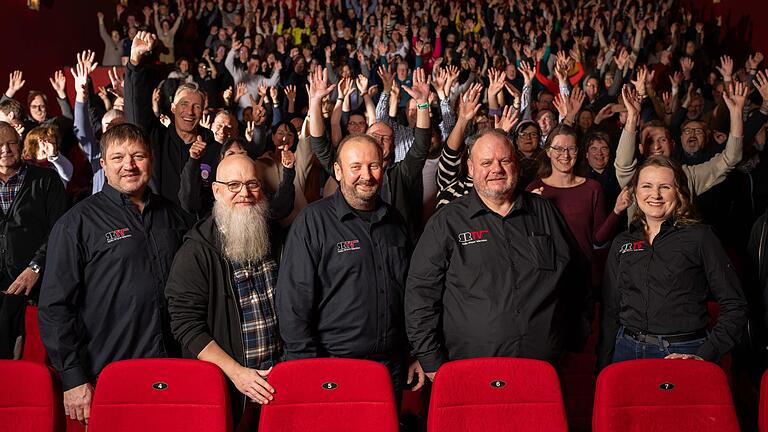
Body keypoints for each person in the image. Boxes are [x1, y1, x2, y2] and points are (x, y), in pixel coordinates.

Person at [405, 130, 590, 380]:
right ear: (470, 168)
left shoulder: (546, 213)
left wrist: (572, 339)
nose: (497, 169)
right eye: (486, 162)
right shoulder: (447, 223)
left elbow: (579, 276)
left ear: (516, 163)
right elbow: (420, 294)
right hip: (470, 370)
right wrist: (430, 359)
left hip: (543, 369)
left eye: (504, 161)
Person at [38, 123, 191, 425]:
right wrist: (73, 378)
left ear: (151, 160)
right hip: (108, 375)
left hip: (175, 368)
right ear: (103, 164)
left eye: (138, 156)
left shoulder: (174, 215)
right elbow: (55, 308)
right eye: (118, 157)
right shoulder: (76, 224)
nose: (129, 166)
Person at [277, 130, 425, 395]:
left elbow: (409, 293)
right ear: (338, 170)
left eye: (374, 166)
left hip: (390, 367)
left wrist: (412, 352)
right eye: (355, 167)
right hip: (332, 368)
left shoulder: (395, 221)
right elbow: (293, 304)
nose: (366, 176)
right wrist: (306, 370)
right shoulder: (313, 222)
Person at [598, 156, 748, 369]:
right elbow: (610, 309)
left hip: (683, 351)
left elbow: (735, 304)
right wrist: (604, 364)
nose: (655, 195)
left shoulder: (701, 237)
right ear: (635, 192)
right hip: (626, 350)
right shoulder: (623, 241)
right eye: (647, 186)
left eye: (665, 187)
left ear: (679, 192)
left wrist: (705, 355)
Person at [166, 155, 280, 428]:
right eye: (234, 185)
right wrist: (237, 373)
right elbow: (185, 326)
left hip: (279, 382)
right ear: (216, 190)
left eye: (252, 184)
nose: (245, 193)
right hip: (230, 389)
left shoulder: (275, 236)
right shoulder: (196, 250)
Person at [124, 31, 219, 207]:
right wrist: (135, 62)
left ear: (203, 110)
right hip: (161, 227)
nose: (189, 112)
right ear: (173, 108)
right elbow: (136, 110)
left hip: (199, 231)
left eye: (196, 106)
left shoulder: (214, 147)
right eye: (184, 104)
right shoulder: (156, 138)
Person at [0, 121, 66, 359]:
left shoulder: (47, 179)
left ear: (21, 145)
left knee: (30, 364)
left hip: (37, 290)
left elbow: (59, 231)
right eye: (0, 145)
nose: (5, 150)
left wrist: (36, 267)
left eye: (10, 143)